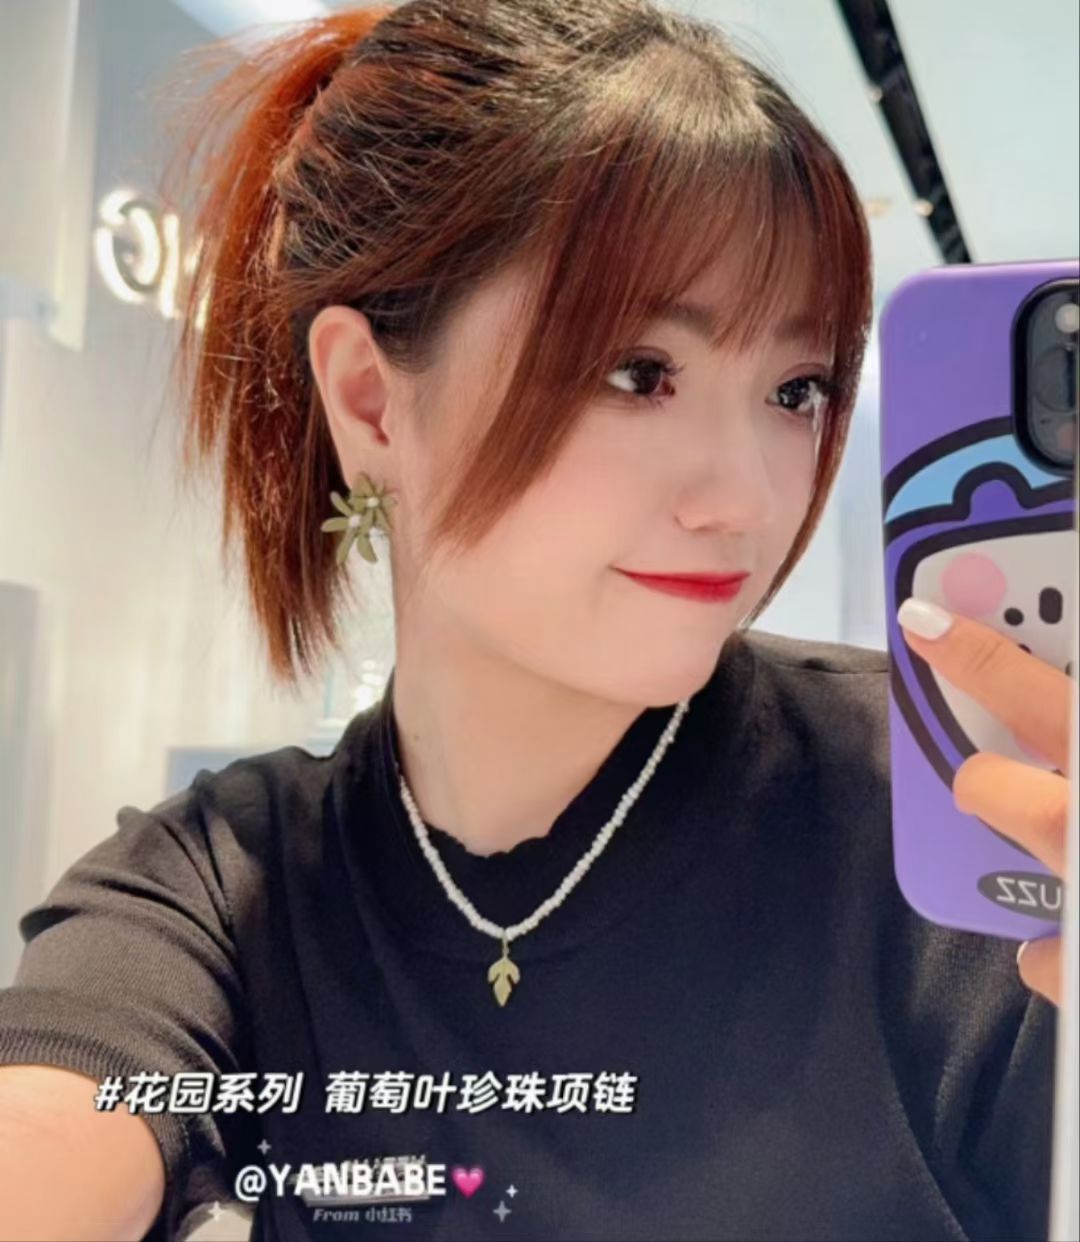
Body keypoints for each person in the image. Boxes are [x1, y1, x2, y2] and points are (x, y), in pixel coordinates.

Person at [0, 1, 1069, 1240]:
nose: (745, 498)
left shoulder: (945, 813)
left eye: (796, 389)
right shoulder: (227, 889)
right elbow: (53, 1129)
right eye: (639, 373)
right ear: (371, 400)